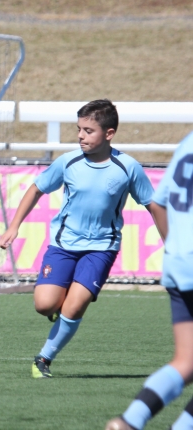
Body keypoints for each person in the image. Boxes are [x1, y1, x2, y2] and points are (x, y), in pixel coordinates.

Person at [0, 99, 165, 379]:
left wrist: (172, 245)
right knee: (44, 304)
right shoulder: (68, 161)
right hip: (63, 246)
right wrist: (13, 226)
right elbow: (37, 189)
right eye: (79, 129)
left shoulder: (128, 167)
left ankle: (43, 359)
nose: (80, 135)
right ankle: (57, 313)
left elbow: (154, 205)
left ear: (108, 134)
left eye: (88, 130)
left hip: (101, 248)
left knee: (74, 306)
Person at [104, 131, 192, 430]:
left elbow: (162, 202)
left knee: (186, 361)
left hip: (180, 262)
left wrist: (177, 249)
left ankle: (129, 421)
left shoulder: (188, 142)